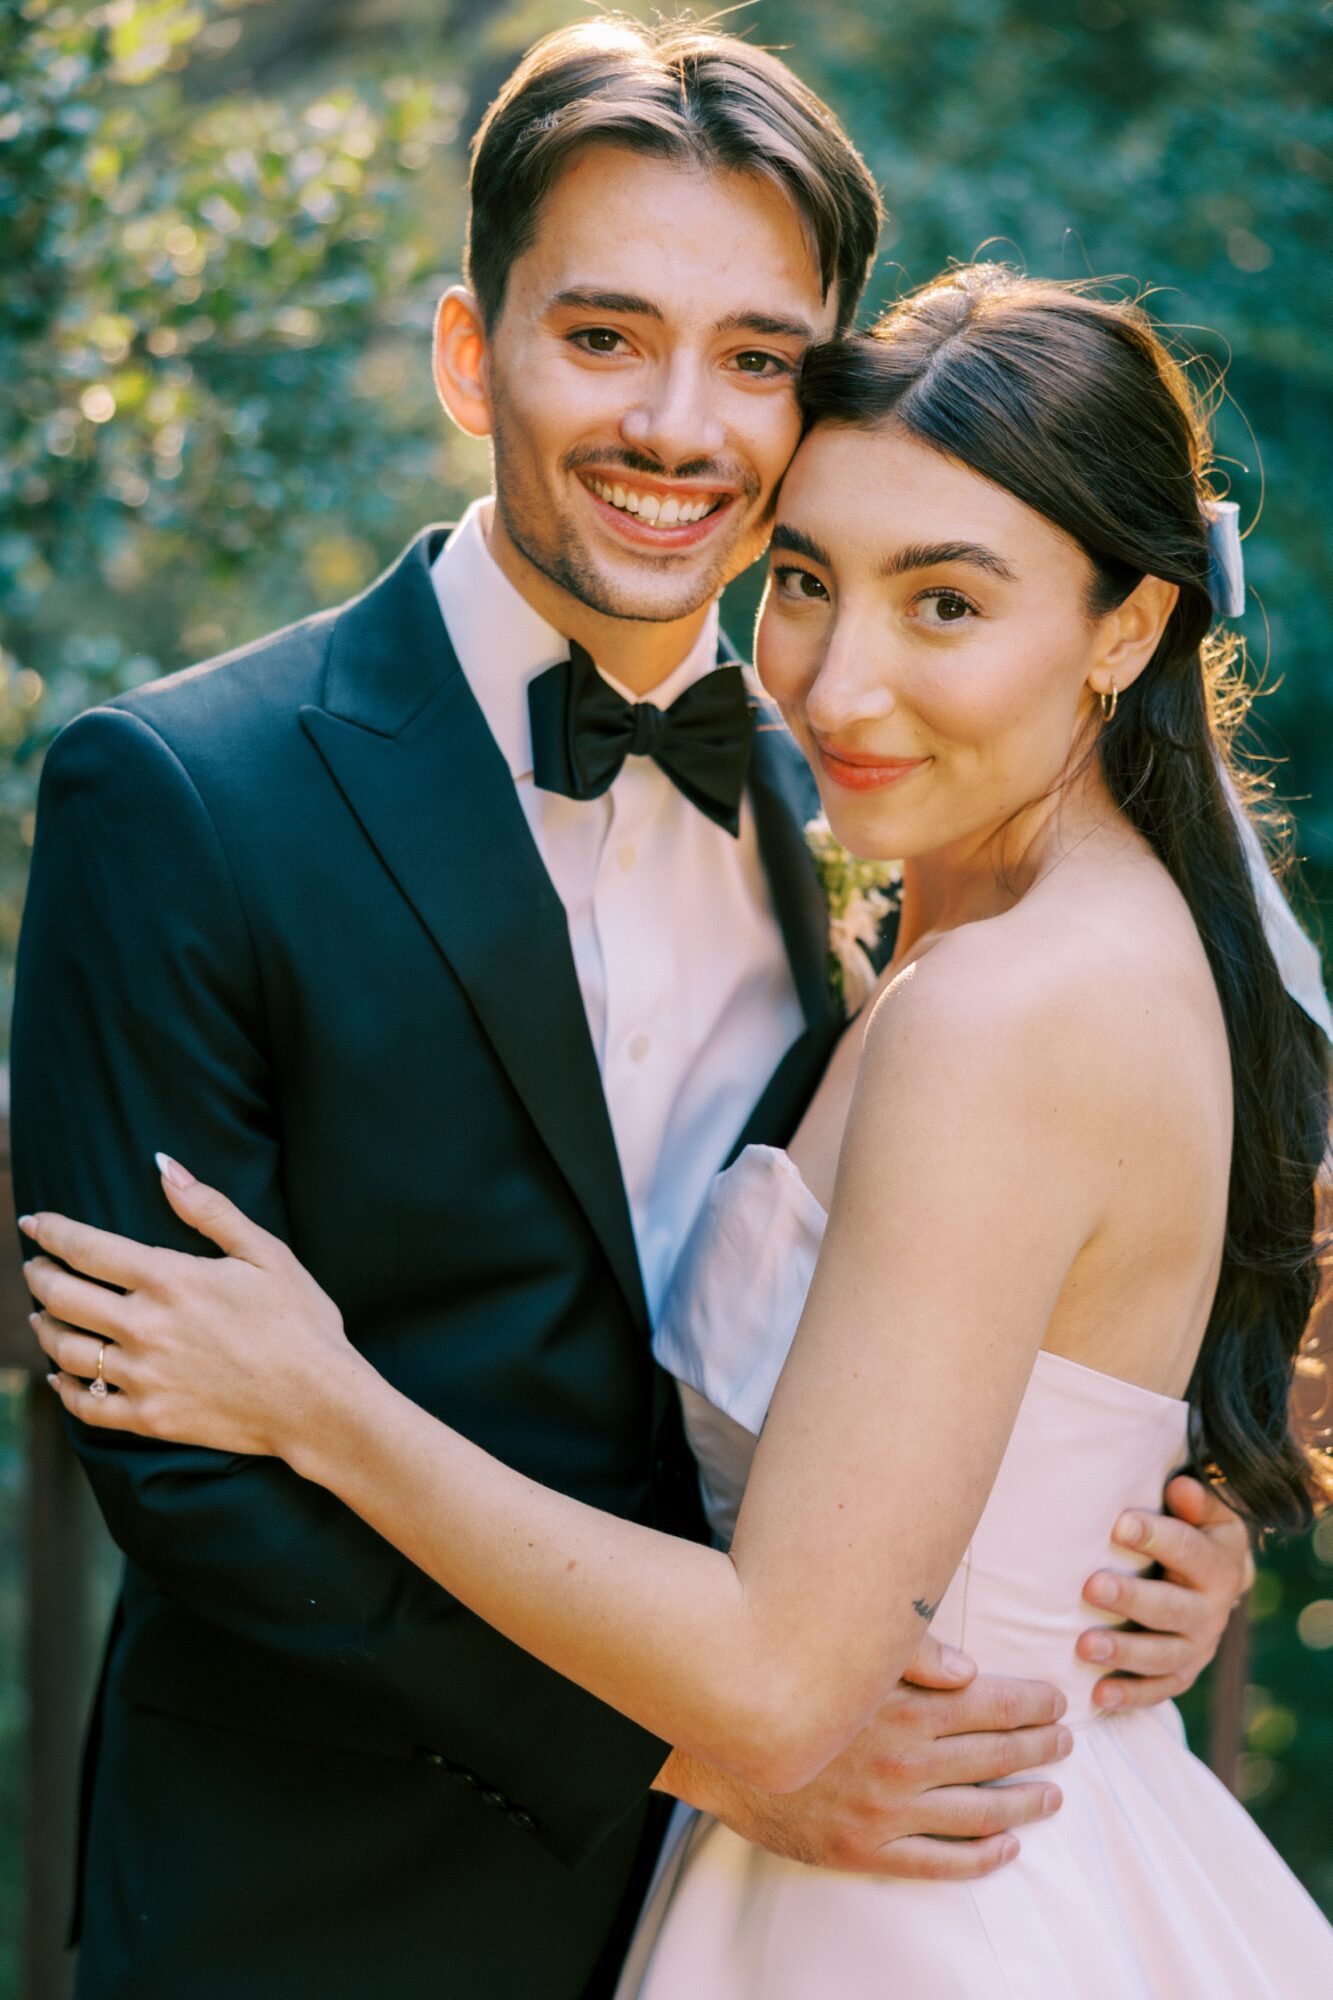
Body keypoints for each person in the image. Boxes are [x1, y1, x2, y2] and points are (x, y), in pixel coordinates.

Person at [11, 23, 1263, 2000]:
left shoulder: (820, 781)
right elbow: (179, 1466)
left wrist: (1140, 1546)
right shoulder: (175, 796)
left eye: (758, 358)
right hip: (330, 1909)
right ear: (465, 352)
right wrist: (711, 1750)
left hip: (795, 1880)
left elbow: (946, 1296)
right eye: (601, 336)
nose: (678, 424)